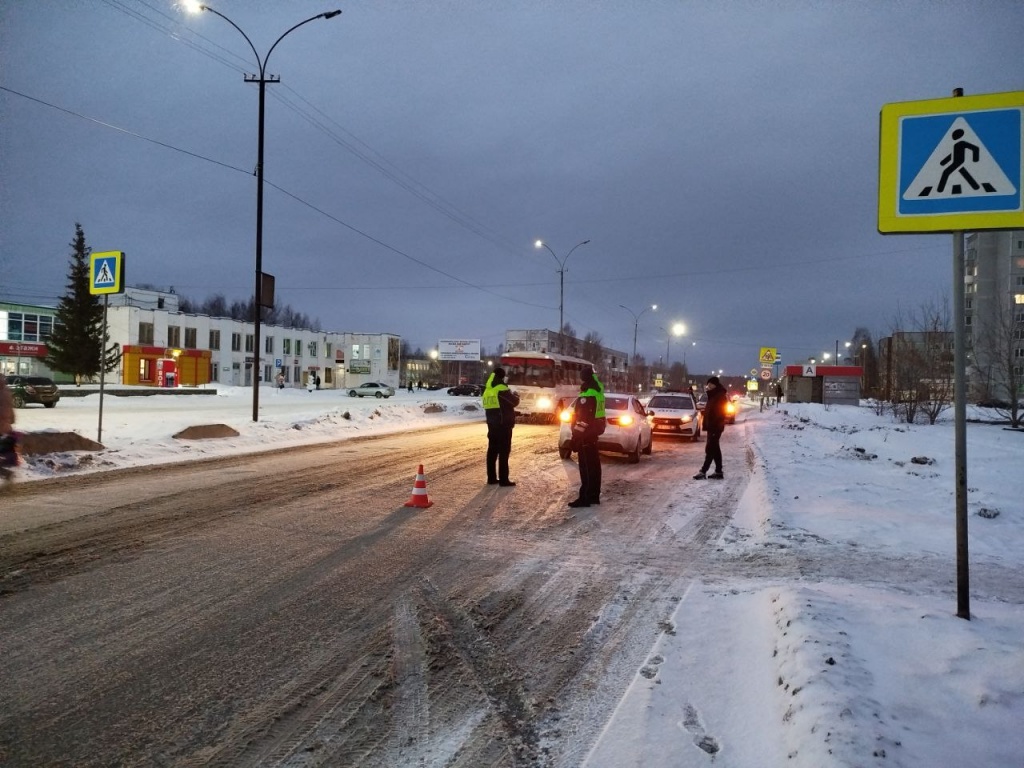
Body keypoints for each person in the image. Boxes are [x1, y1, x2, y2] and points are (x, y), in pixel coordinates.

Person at [569, 367, 606, 507]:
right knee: (594, 466)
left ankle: (584, 498)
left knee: (586, 468)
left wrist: (576, 437)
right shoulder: (598, 391)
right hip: (594, 433)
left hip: (585, 435)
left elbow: (582, 419)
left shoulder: (588, 394)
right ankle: (594, 495)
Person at [481, 367, 519, 486]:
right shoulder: (501, 388)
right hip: (503, 425)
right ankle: (504, 480)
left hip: (492, 425)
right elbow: (514, 402)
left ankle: (491, 478)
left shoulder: (487, 390)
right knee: (504, 452)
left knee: (492, 451)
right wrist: (516, 395)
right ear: (502, 377)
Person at [694, 376, 728, 480]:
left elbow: (720, 413)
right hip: (712, 426)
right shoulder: (713, 395)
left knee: (710, 449)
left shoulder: (719, 396)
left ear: (714, 385)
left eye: (709, 385)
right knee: (715, 449)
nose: (708, 387)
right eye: (707, 385)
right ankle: (718, 471)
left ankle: (703, 471)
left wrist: (715, 425)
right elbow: (711, 410)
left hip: (715, 427)